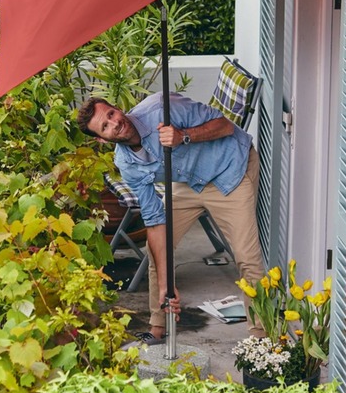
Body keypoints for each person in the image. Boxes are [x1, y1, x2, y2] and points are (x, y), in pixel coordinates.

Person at [76, 92, 265, 346]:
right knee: (157, 253)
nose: (114, 124)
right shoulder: (127, 163)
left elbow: (225, 126)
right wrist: (167, 285)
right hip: (188, 182)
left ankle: (262, 337)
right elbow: (154, 221)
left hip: (229, 170)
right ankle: (158, 328)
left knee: (247, 257)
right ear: (102, 139)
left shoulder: (163, 109)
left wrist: (183, 136)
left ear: (117, 108)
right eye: (105, 126)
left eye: (111, 114)